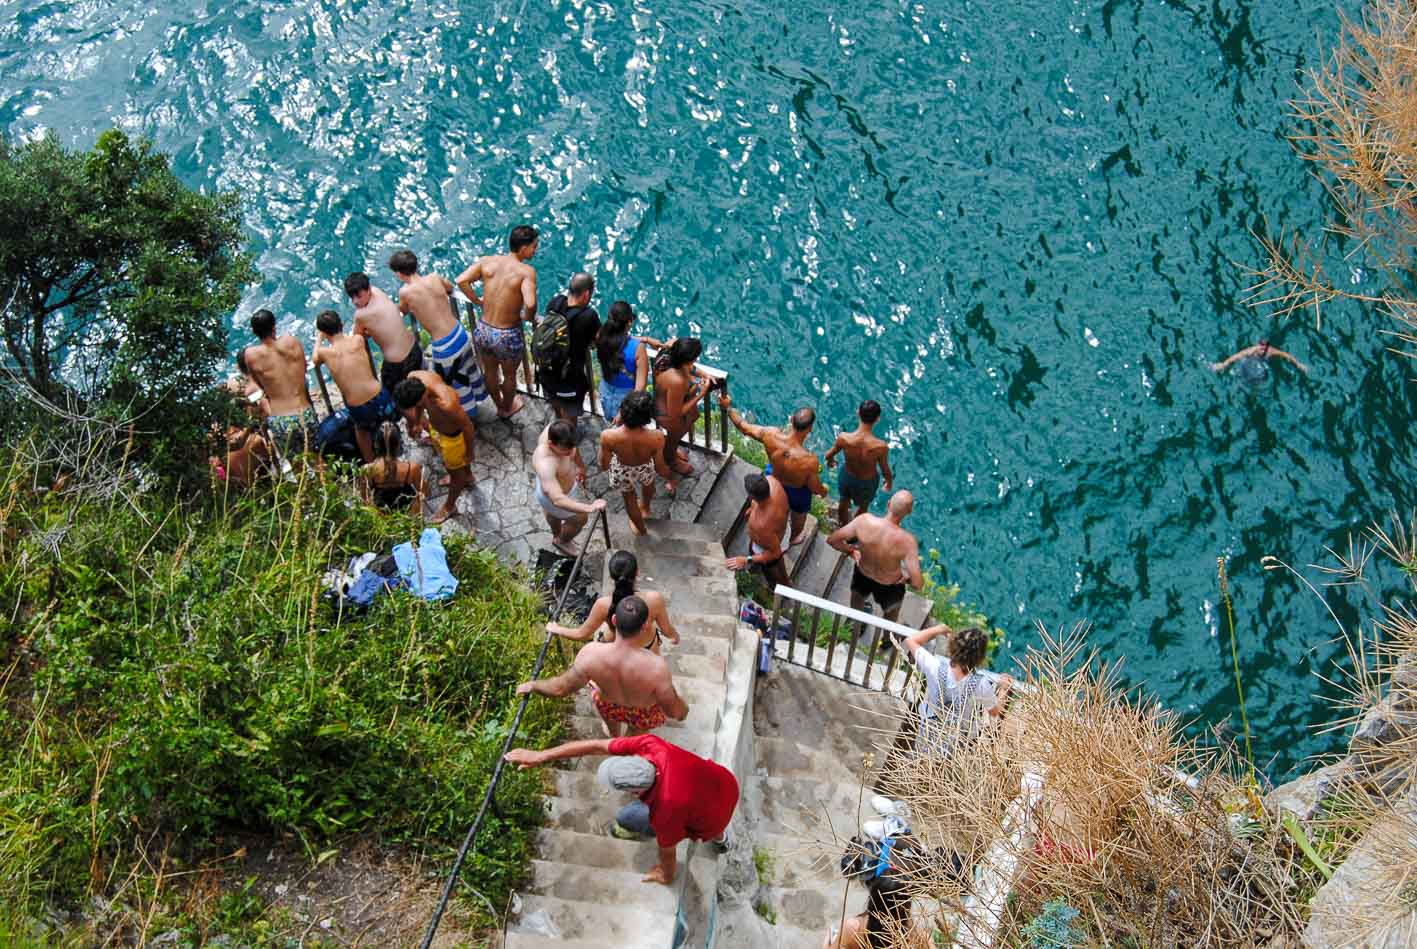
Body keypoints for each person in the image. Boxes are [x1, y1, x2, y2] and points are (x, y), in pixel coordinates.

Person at [504, 732, 739, 886]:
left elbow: (668, 852)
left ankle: (715, 834)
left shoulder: (665, 810)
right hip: (725, 784)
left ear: (634, 792)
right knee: (708, 812)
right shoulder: (652, 746)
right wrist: (541, 756)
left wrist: (665, 875)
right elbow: (596, 745)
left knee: (626, 817)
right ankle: (722, 838)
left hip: (708, 820)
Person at [517, 596, 688, 737]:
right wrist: (684, 711)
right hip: (642, 712)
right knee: (635, 736)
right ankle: (627, 745)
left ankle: (614, 736)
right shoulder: (656, 667)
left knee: (612, 726)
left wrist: (533, 685)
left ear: (614, 620)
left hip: (609, 705)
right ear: (645, 626)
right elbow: (674, 710)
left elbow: (559, 689)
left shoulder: (590, 655)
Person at [388, 250, 488, 419]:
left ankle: (468, 417)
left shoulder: (405, 292)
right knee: (470, 369)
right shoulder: (434, 277)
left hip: (444, 347)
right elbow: (449, 287)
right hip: (459, 333)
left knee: (456, 384)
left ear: (398, 273)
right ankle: (480, 397)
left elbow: (403, 310)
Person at [456, 224, 539, 418]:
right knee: (509, 376)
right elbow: (531, 303)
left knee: (490, 371)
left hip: (483, 329)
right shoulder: (526, 272)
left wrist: (478, 301)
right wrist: (527, 317)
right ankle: (506, 408)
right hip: (506, 334)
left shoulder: (488, 261)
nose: (536, 250)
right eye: (534, 246)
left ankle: (497, 403)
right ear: (524, 247)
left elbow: (461, 280)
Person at [722, 394, 828, 545]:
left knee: (765, 501)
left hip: (773, 478)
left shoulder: (770, 435)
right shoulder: (809, 461)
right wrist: (824, 491)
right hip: (796, 491)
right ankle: (794, 537)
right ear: (809, 429)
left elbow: (744, 427)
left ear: (791, 421)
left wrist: (728, 408)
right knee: (799, 515)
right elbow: (815, 488)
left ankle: (757, 513)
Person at [899, 624, 1013, 752]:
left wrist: (939, 629)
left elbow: (911, 640)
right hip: (957, 744)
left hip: (928, 735)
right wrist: (1003, 689)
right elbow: (995, 711)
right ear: (980, 658)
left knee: (923, 761)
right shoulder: (981, 684)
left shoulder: (935, 667)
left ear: (953, 645)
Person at [548, 549, 680, 653]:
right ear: (637, 572)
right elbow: (666, 629)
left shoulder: (603, 605)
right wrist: (674, 636)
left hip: (614, 649)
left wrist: (556, 629)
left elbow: (582, 634)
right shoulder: (654, 599)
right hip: (646, 648)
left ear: (612, 577)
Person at [825, 491, 924, 623]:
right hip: (890, 585)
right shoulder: (907, 542)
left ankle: (854, 623)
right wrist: (906, 579)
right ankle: (887, 640)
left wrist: (851, 552)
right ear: (909, 512)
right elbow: (918, 583)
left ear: (888, 504)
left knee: (857, 599)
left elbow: (833, 540)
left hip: (863, 573)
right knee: (890, 614)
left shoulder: (864, 521)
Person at [312, 310, 397, 462]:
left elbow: (314, 359)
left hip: (359, 407)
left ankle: (371, 464)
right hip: (380, 395)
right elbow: (357, 333)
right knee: (387, 424)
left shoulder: (325, 352)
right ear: (342, 325)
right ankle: (394, 449)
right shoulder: (358, 340)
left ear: (324, 333)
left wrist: (319, 337)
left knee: (362, 431)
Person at [393, 372, 475, 524]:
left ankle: (450, 506)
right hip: (437, 430)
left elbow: (468, 427)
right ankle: (468, 476)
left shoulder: (447, 404)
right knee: (452, 466)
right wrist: (416, 422)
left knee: (458, 475)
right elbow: (420, 406)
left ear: (419, 399)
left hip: (453, 439)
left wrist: (470, 452)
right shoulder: (415, 377)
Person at [240, 308, 317, 457]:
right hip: (304, 412)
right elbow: (303, 370)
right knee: (318, 458)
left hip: (281, 419)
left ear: (255, 333)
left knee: (297, 465)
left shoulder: (251, 355)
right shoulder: (291, 341)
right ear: (274, 327)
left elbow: (259, 384)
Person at [598, 390, 671, 536]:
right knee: (649, 485)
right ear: (648, 417)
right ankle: (645, 508)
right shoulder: (656, 437)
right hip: (644, 467)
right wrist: (669, 476)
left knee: (630, 500)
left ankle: (641, 530)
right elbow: (660, 466)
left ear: (623, 411)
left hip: (622, 469)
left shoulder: (608, 436)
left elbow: (604, 464)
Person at [532, 419, 608, 555]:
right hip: (553, 496)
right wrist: (590, 507)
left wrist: (579, 466)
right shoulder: (546, 463)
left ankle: (556, 534)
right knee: (581, 518)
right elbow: (558, 500)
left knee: (552, 514)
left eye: (572, 447)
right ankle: (562, 540)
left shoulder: (559, 431)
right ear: (550, 444)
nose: (570, 452)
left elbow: (572, 449)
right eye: (565, 451)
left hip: (550, 488)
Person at [344, 271, 423, 394]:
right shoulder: (378, 292)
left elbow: (357, 338)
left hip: (398, 365)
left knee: (394, 396)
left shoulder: (361, 315)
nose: (355, 301)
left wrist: (367, 332)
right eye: (352, 297)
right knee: (417, 390)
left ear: (368, 289)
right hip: (414, 351)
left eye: (358, 296)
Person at [537, 272, 601, 423]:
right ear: (586, 294)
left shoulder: (556, 302)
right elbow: (599, 340)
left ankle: (559, 418)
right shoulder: (589, 316)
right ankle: (566, 435)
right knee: (571, 414)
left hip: (547, 372)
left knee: (556, 402)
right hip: (570, 379)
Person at [652, 337, 714, 490]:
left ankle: (671, 451)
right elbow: (675, 414)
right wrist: (701, 393)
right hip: (668, 415)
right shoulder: (676, 381)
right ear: (689, 359)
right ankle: (670, 458)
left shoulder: (669, 353)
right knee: (674, 437)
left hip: (668, 405)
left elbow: (689, 367)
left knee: (676, 437)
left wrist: (704, 374)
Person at [825, 400, 894, 525]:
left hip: (847, 476)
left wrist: (830, 461)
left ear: (858, 413)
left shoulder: (844, 438)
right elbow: (885, 470)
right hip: (867, 483)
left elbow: (828, 455)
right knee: (863, 507)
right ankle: (853, 531)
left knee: (844, 501)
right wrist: (889, 483)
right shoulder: (880, 447)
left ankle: (843, 525)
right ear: (877, 419)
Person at [822, 874, 931, 949]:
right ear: (905, 906)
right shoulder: (916, 936)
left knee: (832, 933)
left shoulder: (853, 928)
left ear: (872, 900)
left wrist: (826, 943)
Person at [724, 473, 792, 590]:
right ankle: (786, 580)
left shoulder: (761, 525)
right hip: (783, 531)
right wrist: (751, 509)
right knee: (779, 559)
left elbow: (774, 553)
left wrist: (746, 560)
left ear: (751, 496)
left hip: (768, 545)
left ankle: (775, 585)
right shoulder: (773, 482)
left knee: (770, 566)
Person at [596, 300, 651, 422]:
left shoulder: (601, 336)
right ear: (629, 323)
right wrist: (622, 412)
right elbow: (640, 387)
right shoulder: (638, 348)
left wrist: (645, 339)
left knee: (610, 423)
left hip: (606, 390)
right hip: (626, 398)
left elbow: (618, 337)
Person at [358, 421, 426, 512]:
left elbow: (365, 500)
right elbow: (424, 492)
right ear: (398, 445)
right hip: (407, 509)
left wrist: (380, 518)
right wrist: (413, 512)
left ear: (376, 445)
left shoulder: (367, 470)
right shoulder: (412, 468)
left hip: (381, 511)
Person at [1210, 339, 1309, 381]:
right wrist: (1223, 364)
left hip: (1263, 363)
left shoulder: (1271, 351)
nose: (1262, 350)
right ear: (1258, 345)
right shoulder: (1250, 351)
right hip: (1249, 360)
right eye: (1261, 348)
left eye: (1264, 348)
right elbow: (1236, 356)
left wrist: (1299, 364)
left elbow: (1286, 355)